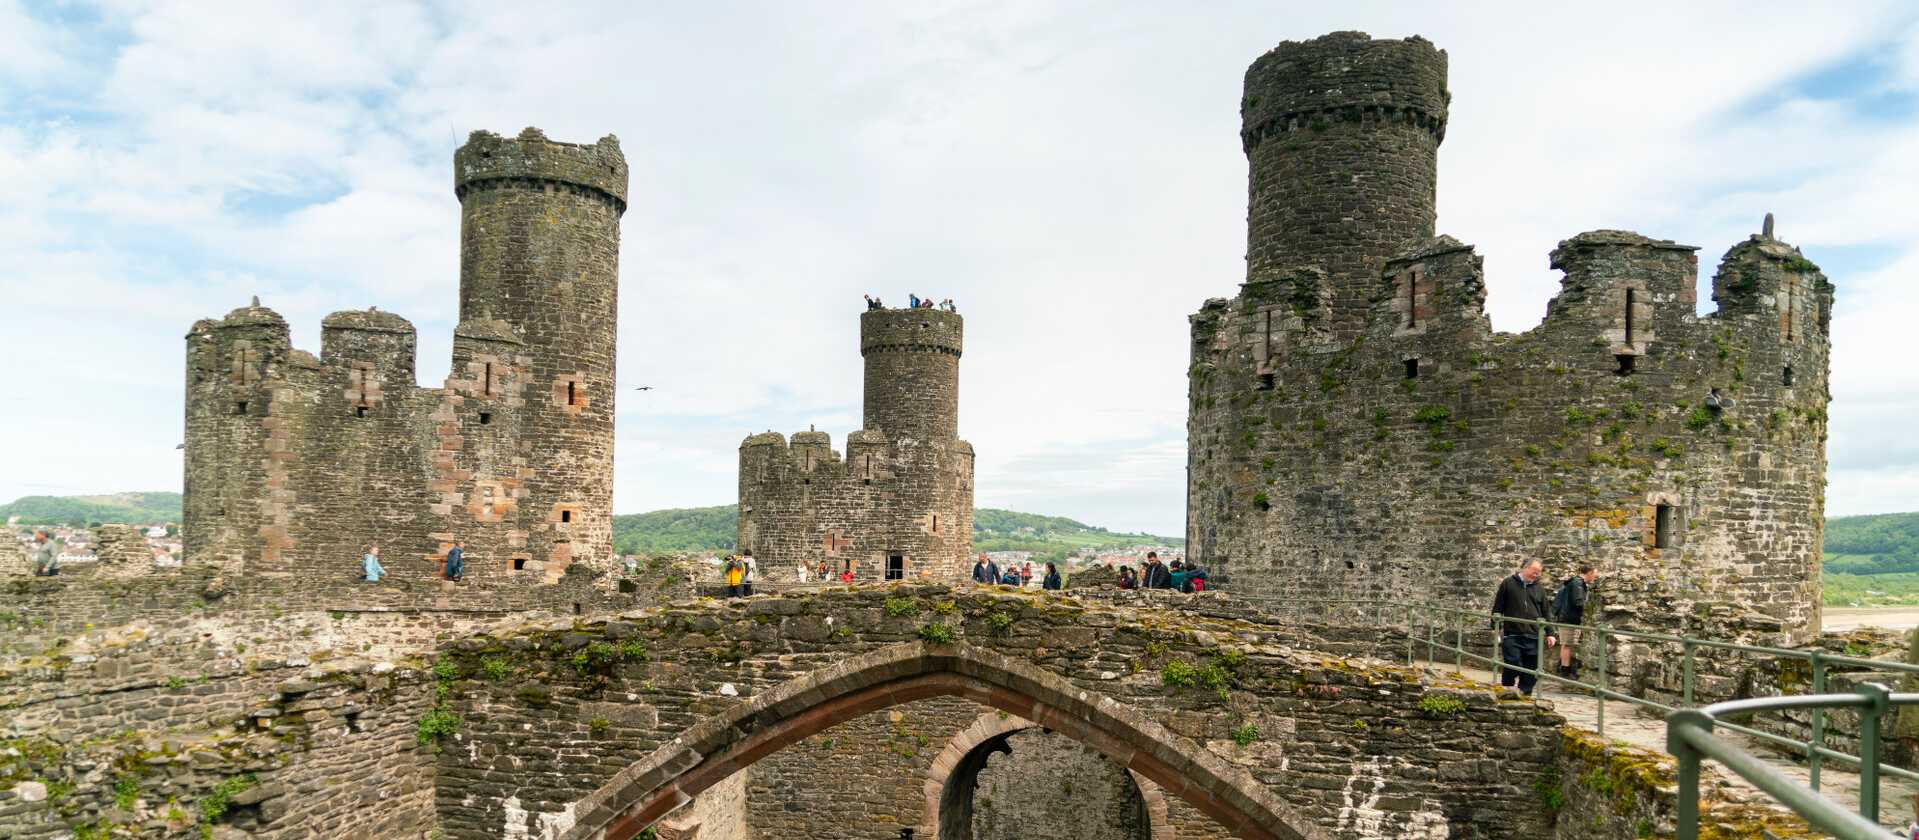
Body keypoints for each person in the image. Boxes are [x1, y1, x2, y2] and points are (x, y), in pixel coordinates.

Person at [1491, 559, 1557, 696]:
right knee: (1513, 662)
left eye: (1539, 573)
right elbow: (1498, 607)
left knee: (1531, 669)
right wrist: (1495, 628)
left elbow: (1546, 612)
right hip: (1512, 633)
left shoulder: (1539, 588)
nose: (1536, 575)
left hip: (1533, 634)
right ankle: (1507, 686)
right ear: (1525, 568)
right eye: (1534, 572)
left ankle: (1525, 694)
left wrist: (1550, 633)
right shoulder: (1508, 583)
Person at [1552, 564, 1598, 679]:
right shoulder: (1578, 583)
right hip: (1569, 618)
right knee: (1567, 644)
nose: (1595, 577)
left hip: (1568, 617)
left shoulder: (1576, 582)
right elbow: (1578, 602)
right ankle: (1565, 671)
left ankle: (1565, 667)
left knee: (1567, 644)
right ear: (1590, 572)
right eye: (1594, 575)